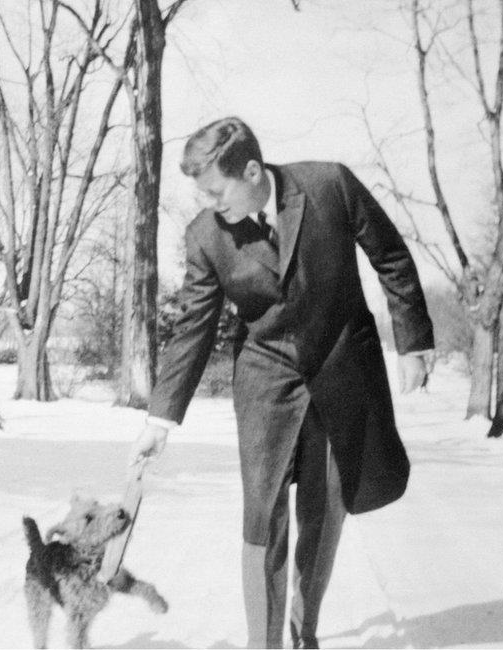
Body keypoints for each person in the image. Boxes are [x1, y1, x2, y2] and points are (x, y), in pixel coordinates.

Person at [130, 116, 434, 648]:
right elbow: (192, 330)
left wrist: (412, 341)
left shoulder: (329, 186)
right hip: (266, 379)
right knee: (262, 514)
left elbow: (389, 256)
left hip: (341, 368)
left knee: (323, 506)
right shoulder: (206, 236)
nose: (209, 204)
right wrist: (161, 418)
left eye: (216, 191)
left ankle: (303, 630)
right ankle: (265, 643)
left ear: (251, 171)